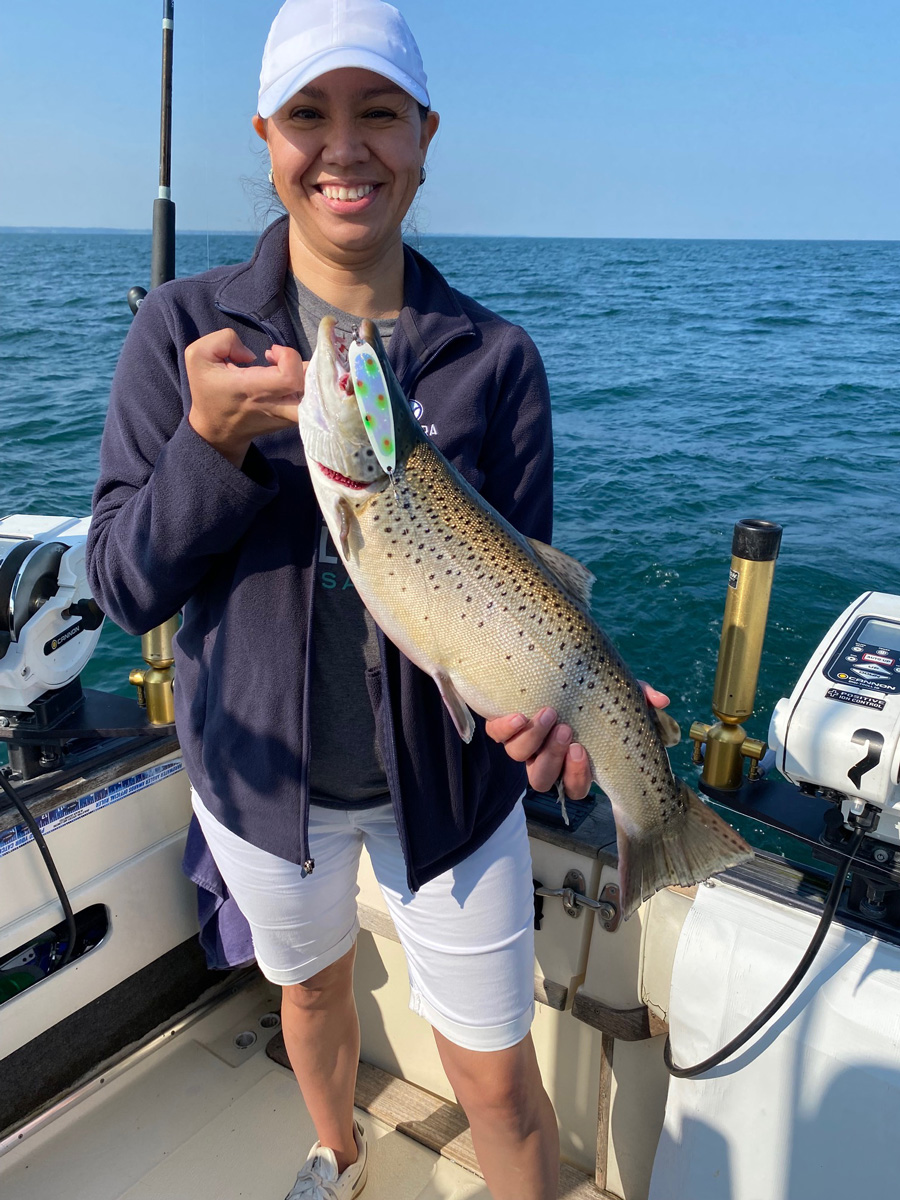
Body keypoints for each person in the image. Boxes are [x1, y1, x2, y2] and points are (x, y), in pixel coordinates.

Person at [87, 2, 665, 1197]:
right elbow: (121, 583)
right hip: (262, 789)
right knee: (308, 991)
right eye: (309, 114)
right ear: (265, 135)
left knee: (498, 1084)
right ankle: (336, 1151)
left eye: (378, 114)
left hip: (451, 800)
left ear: (424, 134)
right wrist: (208, 447)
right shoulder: (183, 333)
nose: (344, 146)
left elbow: (521, 588)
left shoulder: (492, 359)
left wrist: (548, 706)